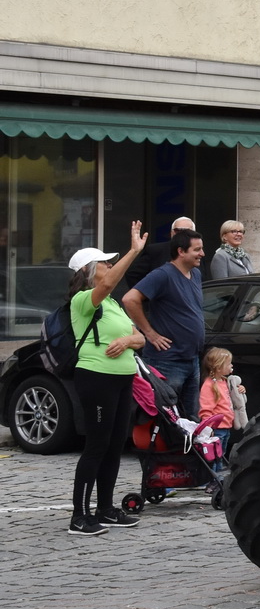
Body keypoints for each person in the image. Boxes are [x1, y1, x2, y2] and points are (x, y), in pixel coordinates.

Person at [63, 225, 150, 535]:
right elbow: (110, 283)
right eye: (105, 263)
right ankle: (79, 516)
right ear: (90, 272)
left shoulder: (112, 304)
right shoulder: (85, 300)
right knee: (97, 446)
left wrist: (128, 342)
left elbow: (139, 338)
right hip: (97, 378)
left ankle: (105, 509)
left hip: (123, 379)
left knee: (114, 446)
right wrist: (134, 252)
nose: (111, 268)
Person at [122, 229, 207, 421]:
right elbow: (130, 299)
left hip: (191, 359)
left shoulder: (196, 274)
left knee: (190, 417)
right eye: (197, 249)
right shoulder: (163, 274)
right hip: (167, 360)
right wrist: (149, 333)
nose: (202, 254)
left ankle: (182, 451)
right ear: (181, 251)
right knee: (163, 417)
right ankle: (156, 451)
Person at [123, 215, 195, 289]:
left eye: (186, 231)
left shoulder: (198, 252)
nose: (181, 234)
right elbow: (132, 274)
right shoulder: (156, 250)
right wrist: (147, 295)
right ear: (171, 233)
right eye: (177, 231)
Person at [199, 346, 236, 470]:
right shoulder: (209, 385)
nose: (231, 366)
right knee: (214, 455)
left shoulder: (224, 381)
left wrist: (241, 389)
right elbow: (206, 409)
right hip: (216, 429)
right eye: (228, 364)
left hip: (226, 427)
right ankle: (213, 479)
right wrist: (208, 428)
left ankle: (217, 477)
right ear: (219, 367)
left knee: (221, 453)